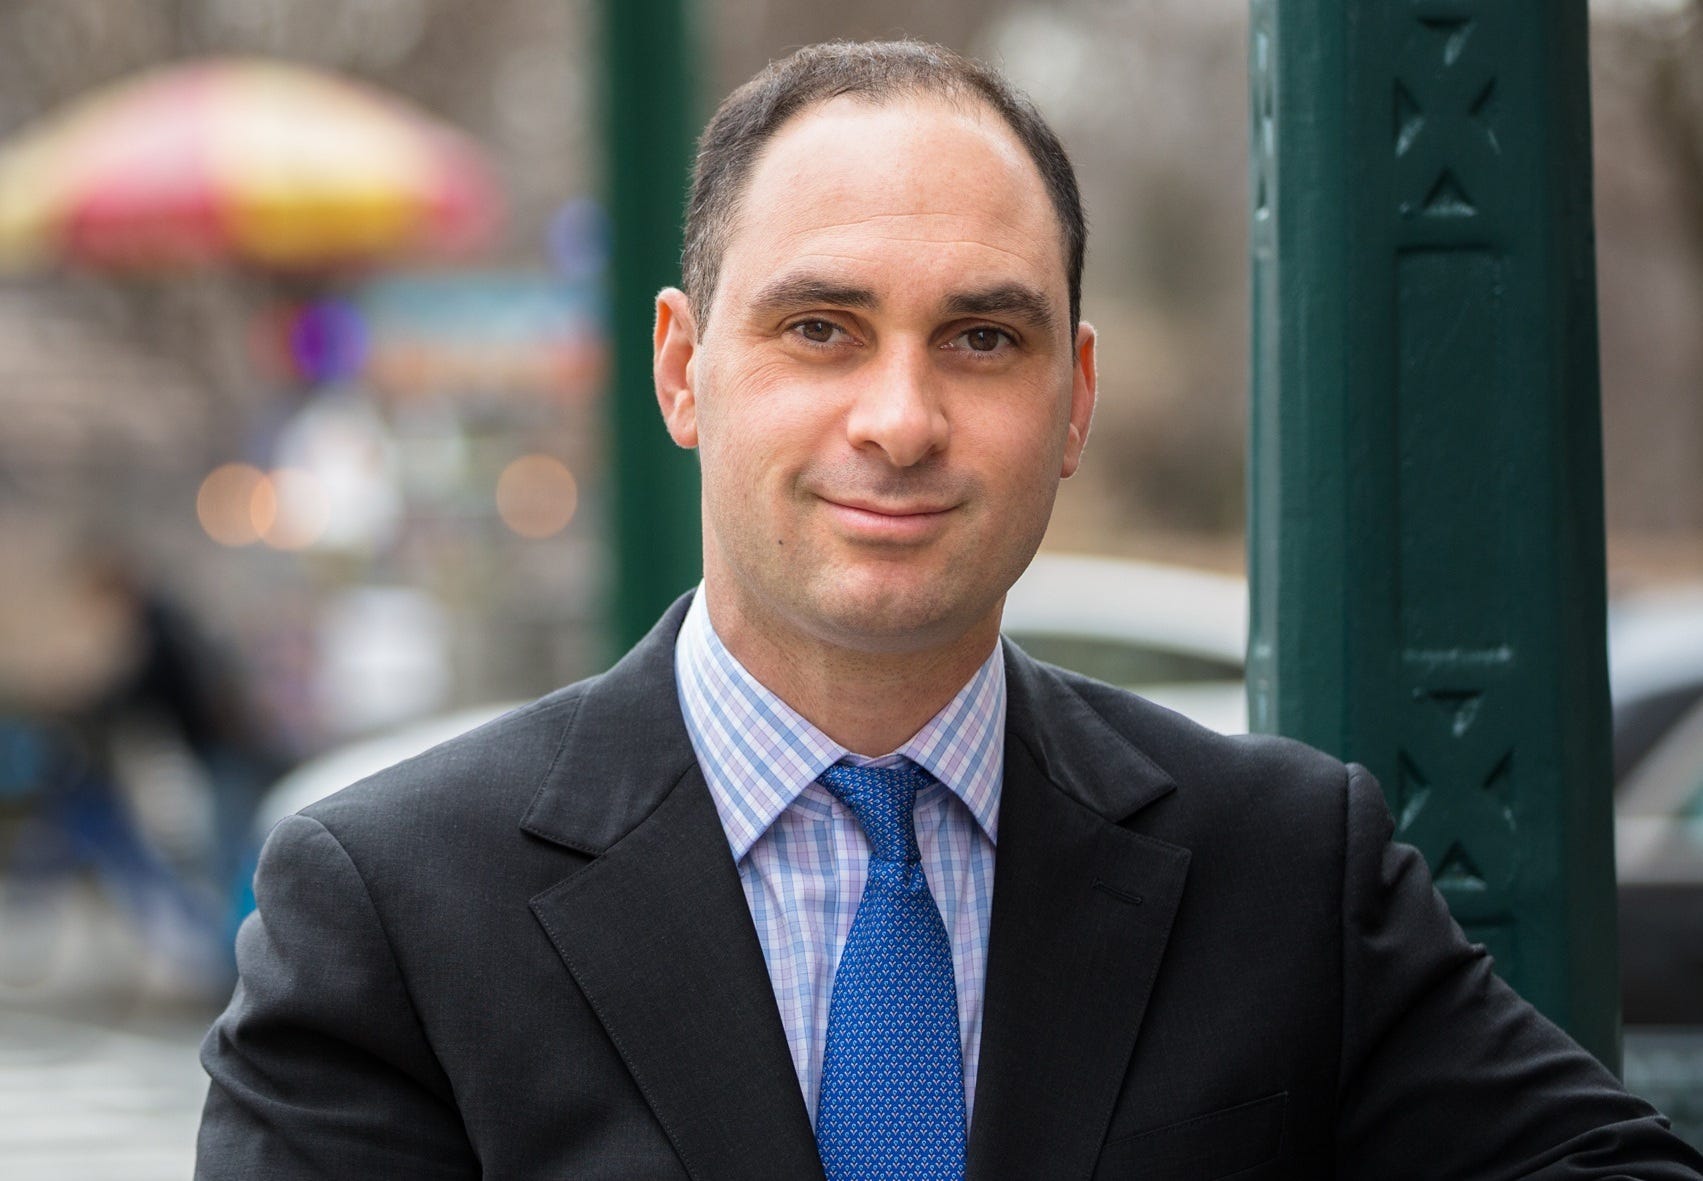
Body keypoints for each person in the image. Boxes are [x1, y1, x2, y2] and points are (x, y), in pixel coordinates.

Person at [196, 41, 1703, 1180]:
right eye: (820, 328)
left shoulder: (1287, 868)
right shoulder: (394, 903)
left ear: (1074, 400)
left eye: (983, 339)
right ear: (681, 370)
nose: (902, 419)